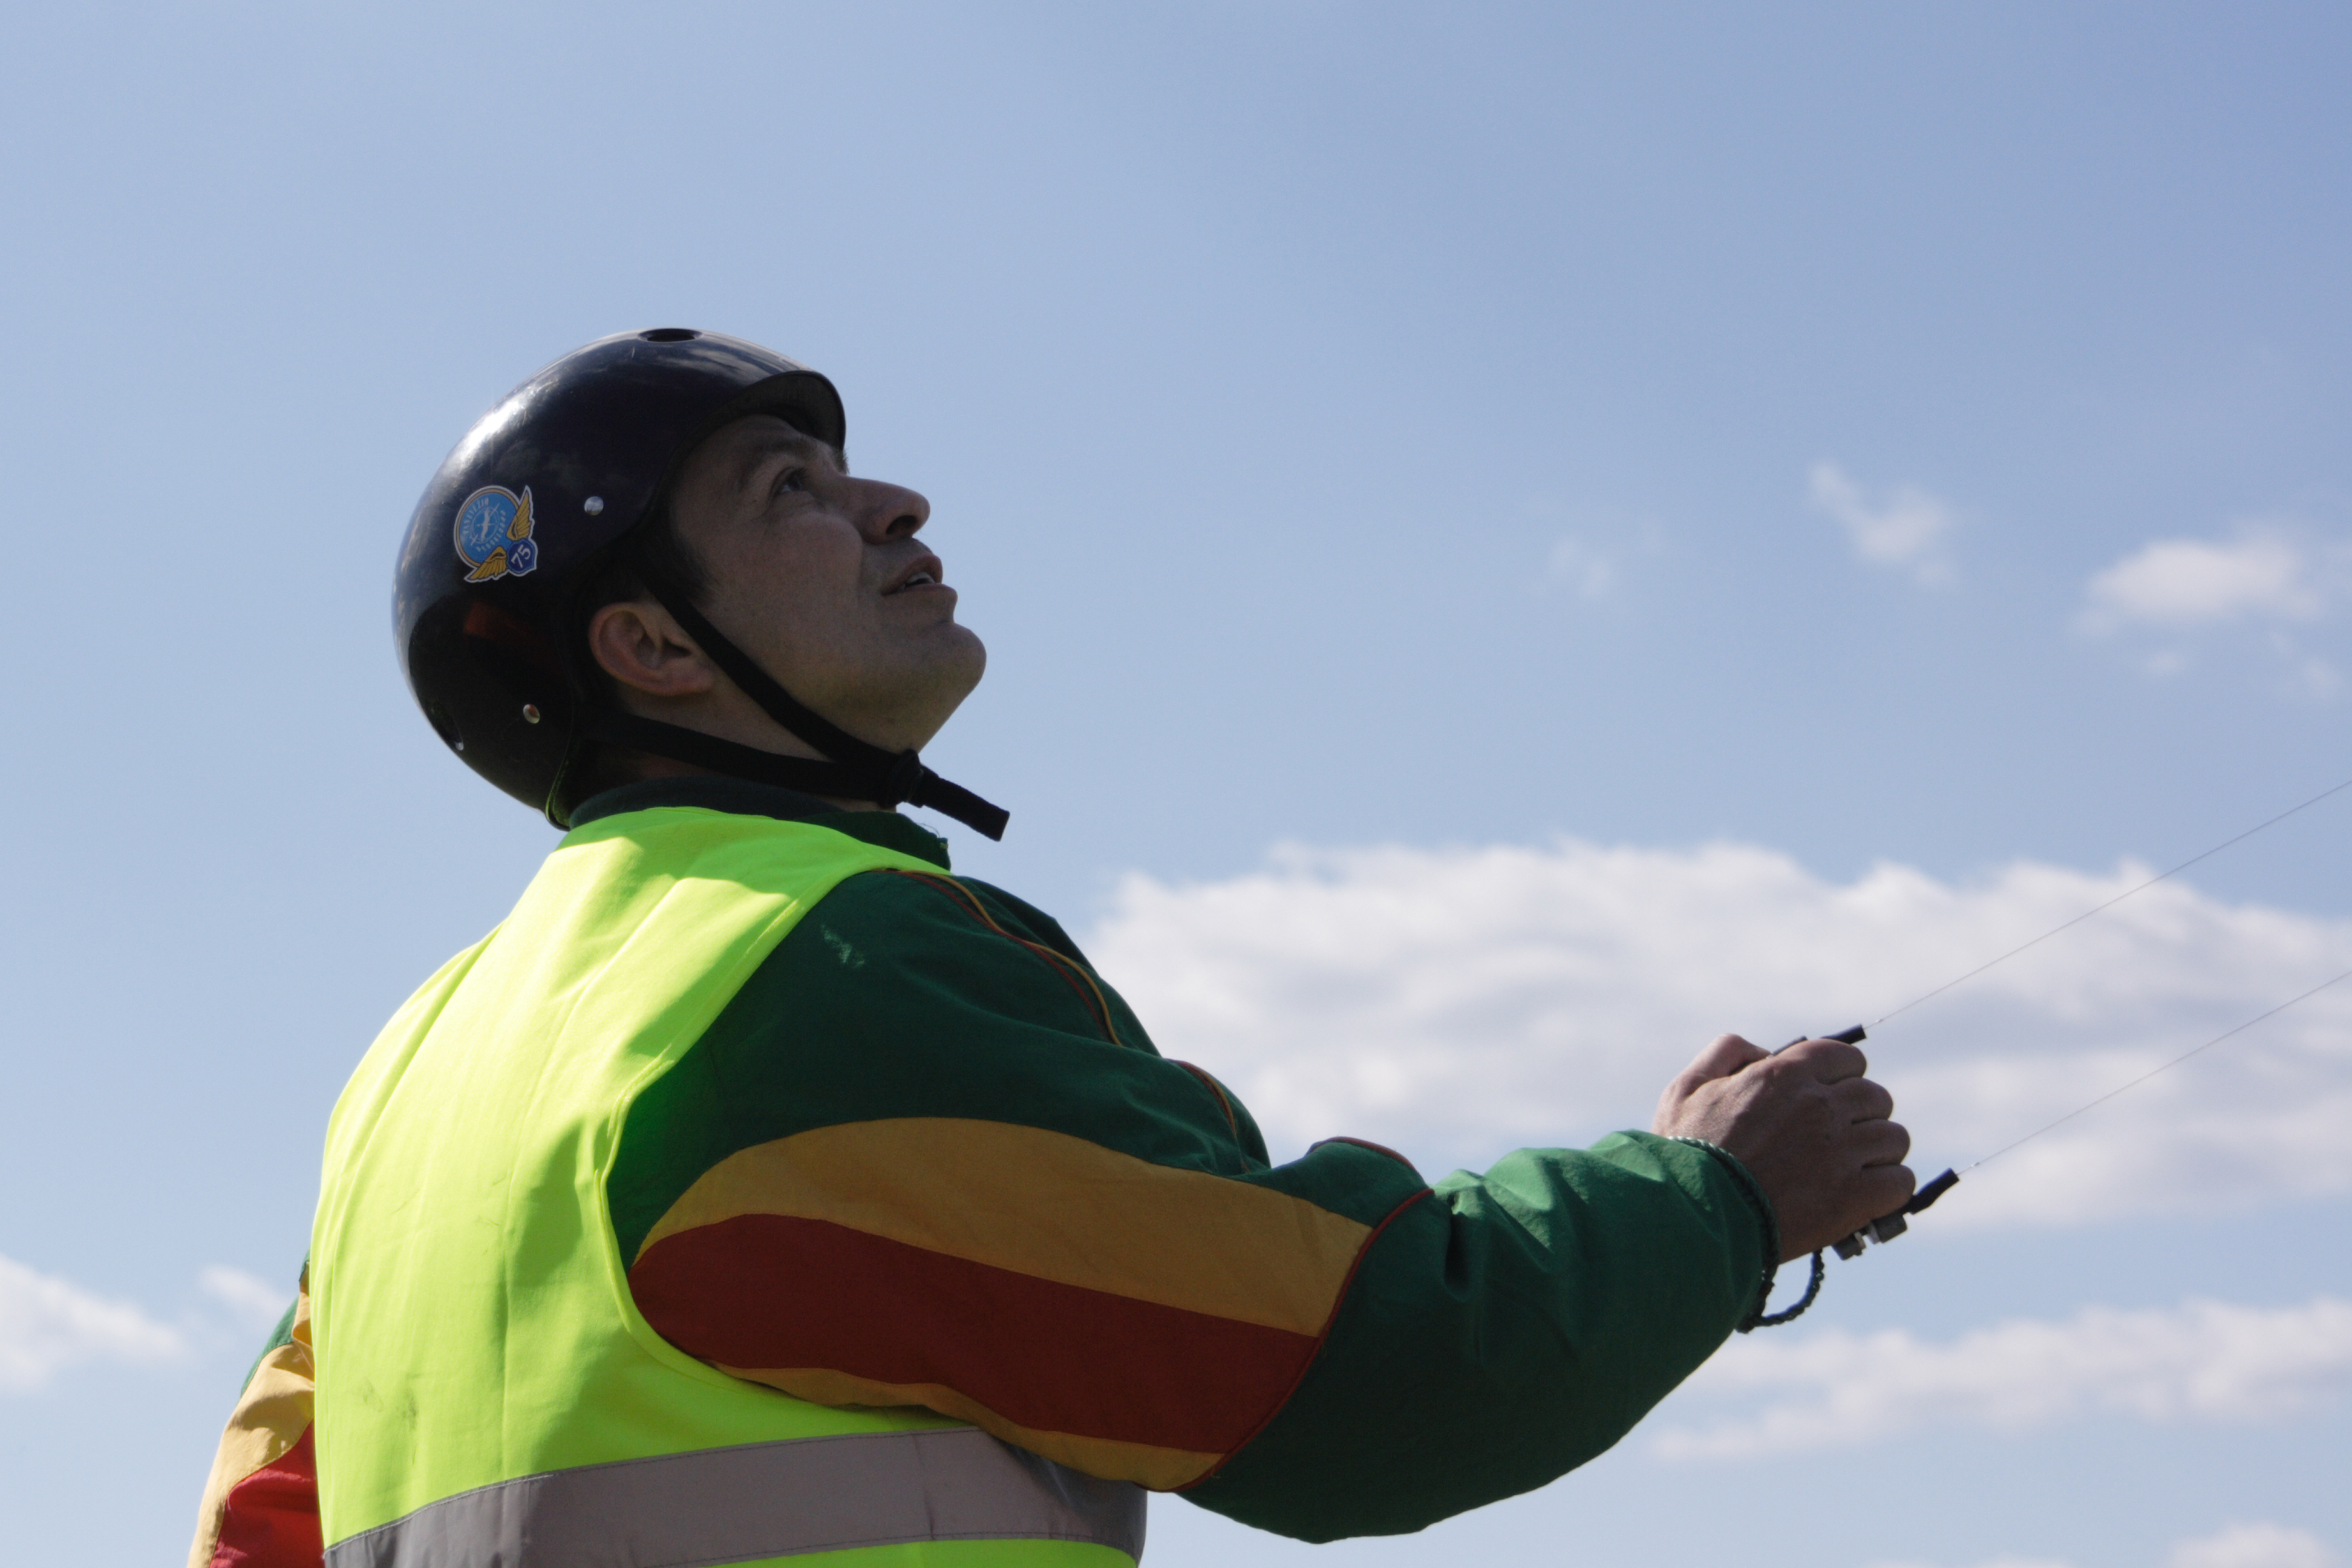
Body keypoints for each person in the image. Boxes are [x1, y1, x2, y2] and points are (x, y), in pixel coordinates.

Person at [186, 328, 1913, 1568]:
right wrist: (1717, 1192)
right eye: (793, 492)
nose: (895, 503)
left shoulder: (408, 1078)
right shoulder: (826, 971)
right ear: (651, 646)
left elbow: (259, 1529)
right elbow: (1368, 1367)